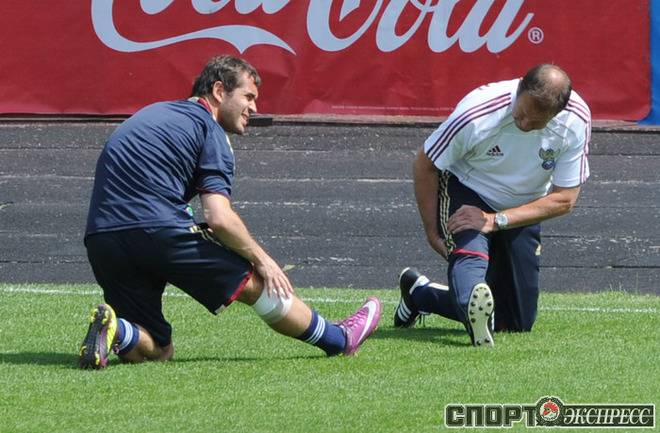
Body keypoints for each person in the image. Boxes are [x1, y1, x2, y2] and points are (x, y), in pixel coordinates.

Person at [78, 55, 381, 370]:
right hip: (158, 230)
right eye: (248, 97)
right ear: (219, 91)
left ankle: (117, 330)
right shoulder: (208, 128)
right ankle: (339, 339)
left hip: (101, 239)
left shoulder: (152, 113)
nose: (254, 108)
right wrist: (263, 261)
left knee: (158, 349)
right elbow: (219, 218)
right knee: (254, 282)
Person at [395, 64, 590, 347]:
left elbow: (565, 199)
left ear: (557, 113)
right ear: (519, 87)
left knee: (515, 322)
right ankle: (475, 319)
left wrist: (496, 220)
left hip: (522, 205)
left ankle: (420, 295)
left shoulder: (577, 119)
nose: (525, 124)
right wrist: (432, 231)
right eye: (521, 113)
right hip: (468, 187)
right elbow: (425, 163)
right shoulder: (477, 112)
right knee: (470, 255)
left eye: (536, 122)